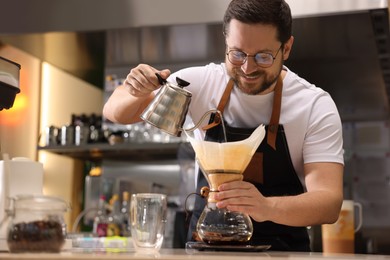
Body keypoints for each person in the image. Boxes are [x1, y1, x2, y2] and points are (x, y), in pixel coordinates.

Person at [103, 0, 344, 252]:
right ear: (225, 43)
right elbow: (114, 112)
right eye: (237, 54)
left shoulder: (314, 105)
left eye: (263, 56)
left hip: (283, 254)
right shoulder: (200, 83)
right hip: (205, 250)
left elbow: (329, 203)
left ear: (287, 48)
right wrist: (137, 88)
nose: (248, 68)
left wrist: (266, 207)